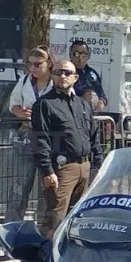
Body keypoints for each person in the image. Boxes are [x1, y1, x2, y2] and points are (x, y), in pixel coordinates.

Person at [31, 58, 104, 238]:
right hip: (62, 170)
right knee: (55, 217)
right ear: (52, 76)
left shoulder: (83, 105)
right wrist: (47, 171)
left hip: (85, 167)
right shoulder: (44, 104)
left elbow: (93, 136)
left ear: (75, 77)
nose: (62, 76)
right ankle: (45, 257)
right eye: (57, 72)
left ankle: (68, 258)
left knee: (78, 217)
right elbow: (41, 140)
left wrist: (99, 165)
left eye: (67, 72)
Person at [3, 46, 54, 228]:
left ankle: (43, 234)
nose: (33, 68)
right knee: (19, 188)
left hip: (50, 139)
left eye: (38, 64)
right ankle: (9, 234)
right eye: (30, 64)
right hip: (26, 137)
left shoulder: (56, 82)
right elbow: (13, 105)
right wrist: (21, 112)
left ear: (48, 63)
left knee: (46, 190)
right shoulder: (24, 81)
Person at [69, 39, 107, 112]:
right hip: (73, 114)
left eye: (84, 54)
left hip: (91, 115)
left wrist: (102, 102)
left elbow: (102, 95)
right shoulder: (66, 73)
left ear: (88, 56)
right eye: (76, 54)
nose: (80, 58)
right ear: (70, 55)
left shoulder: (92, 73)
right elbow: (60, 99)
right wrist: (81, 100)